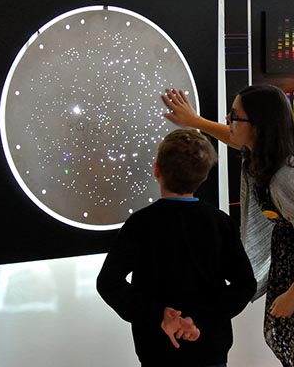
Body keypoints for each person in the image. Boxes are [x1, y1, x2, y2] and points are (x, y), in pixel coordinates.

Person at [162, 85, 294, 367]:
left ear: (259, 125)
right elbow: (234, 137)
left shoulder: (288, 178)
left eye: (235, 116)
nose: (229, 120)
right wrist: (196, 122)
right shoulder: (267, 151)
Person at [96, 129, 256, 367]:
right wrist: (198, 320)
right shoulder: (219, 222)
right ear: (203, 176)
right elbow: (245, 284)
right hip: (209, 346)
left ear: (156, 170)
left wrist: (159, 315)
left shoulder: (140, 224)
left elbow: (109, 282)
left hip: (156, 347)